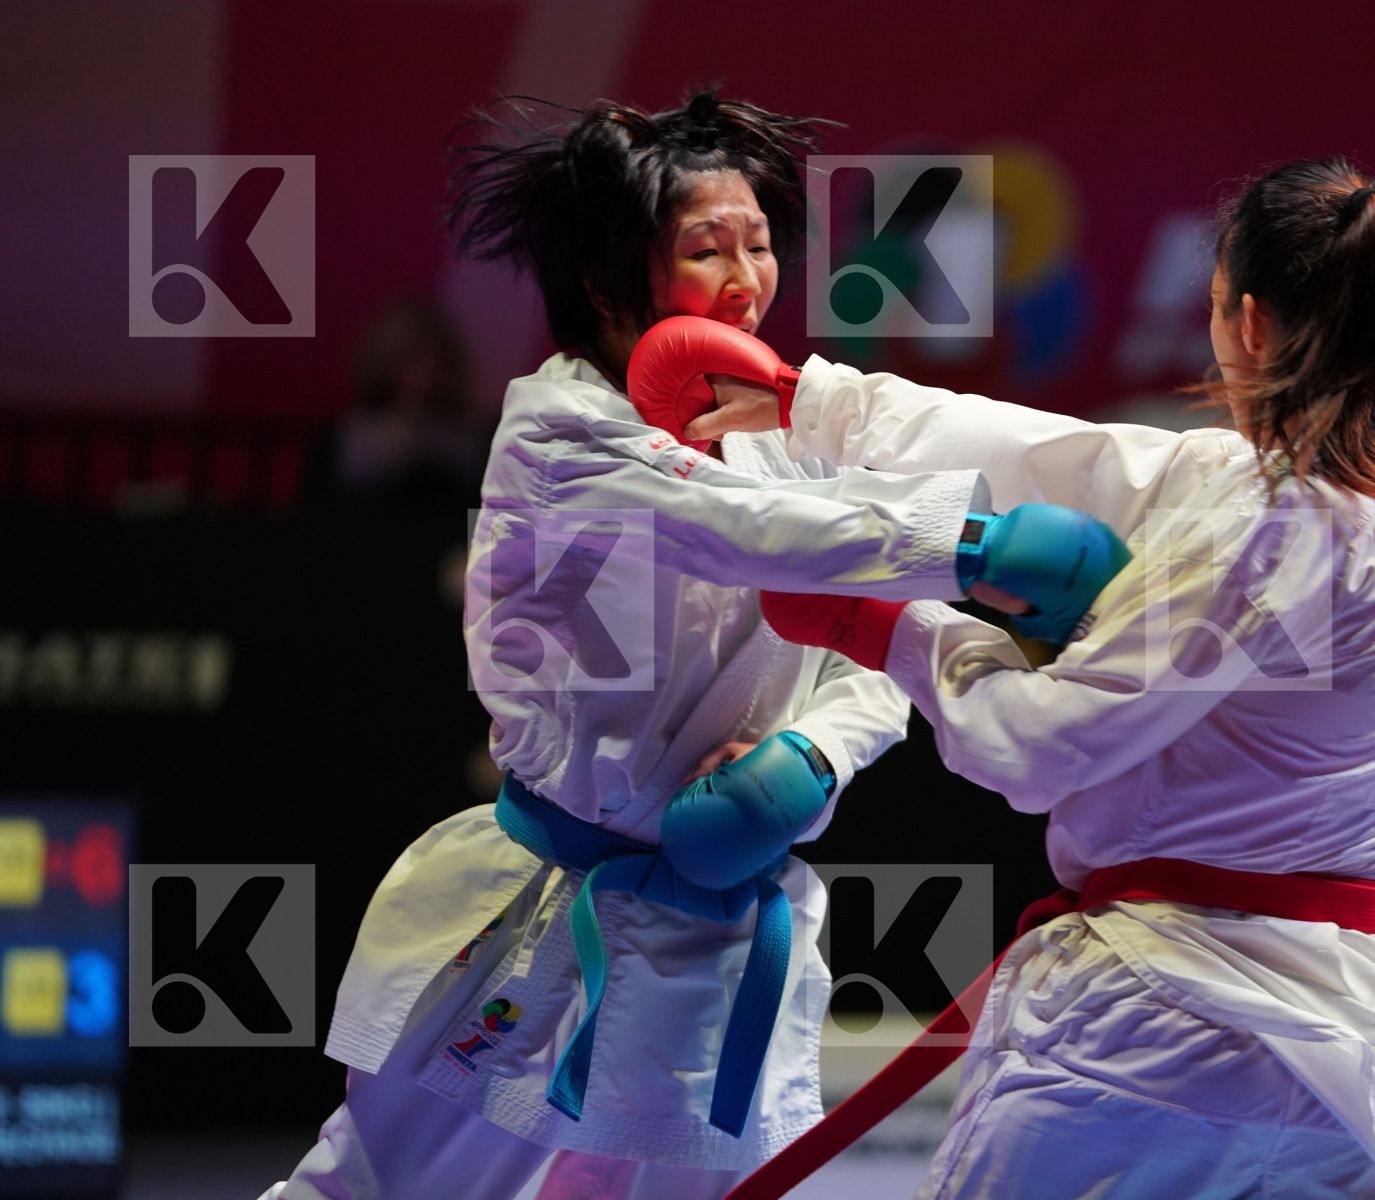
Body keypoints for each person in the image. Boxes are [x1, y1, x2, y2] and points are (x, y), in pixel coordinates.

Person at [262, 91, 1125, 1200]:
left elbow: (876, 654)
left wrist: (802, 766)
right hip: (545, 906)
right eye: (706, 249)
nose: (744, 279)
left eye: (759, 244)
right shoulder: (559, 428)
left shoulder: (775, 433)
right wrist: (975, 545)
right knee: (370, 1189)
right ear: (610, 275)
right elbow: (745, 534)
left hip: (719, 931)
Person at [690, 158, 1375, 1198]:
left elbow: (1038, 746)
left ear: (1244, 321)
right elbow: (1055, 456)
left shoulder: (1268, 520)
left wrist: (888, 628)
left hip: (1153, 1027)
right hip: (1339, 1051)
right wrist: (806, 402)